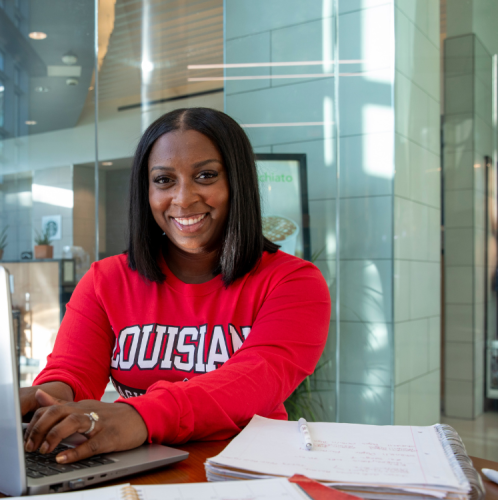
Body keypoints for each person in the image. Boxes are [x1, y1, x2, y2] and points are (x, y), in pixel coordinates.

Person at [20, 107, 331, 465]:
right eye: (164, 180)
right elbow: (73, 374)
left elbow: (259, 378)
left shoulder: (292, 281)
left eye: (205, 175)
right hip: (138, 467)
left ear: (237, 182)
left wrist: (141, 415)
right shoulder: (106, 279)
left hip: (248, 470)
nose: (183, 199)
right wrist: (40, 399)